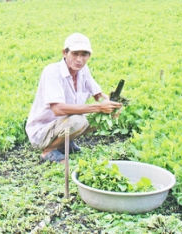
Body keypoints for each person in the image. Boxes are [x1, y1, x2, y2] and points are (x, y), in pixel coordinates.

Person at [25, 33, 122, 163]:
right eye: (75, 54)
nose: (79, 59)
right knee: (79, 119)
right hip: (42, 132)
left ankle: (64, 143)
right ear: (64, 53)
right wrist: (99, 107)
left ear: (89, 56)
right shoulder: (52, 71)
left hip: (62, 124)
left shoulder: (83, 70)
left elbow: (98, 95)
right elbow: (58, 109)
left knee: (101, 117)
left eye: (84, 54)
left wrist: (110, 104)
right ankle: (48, 150)